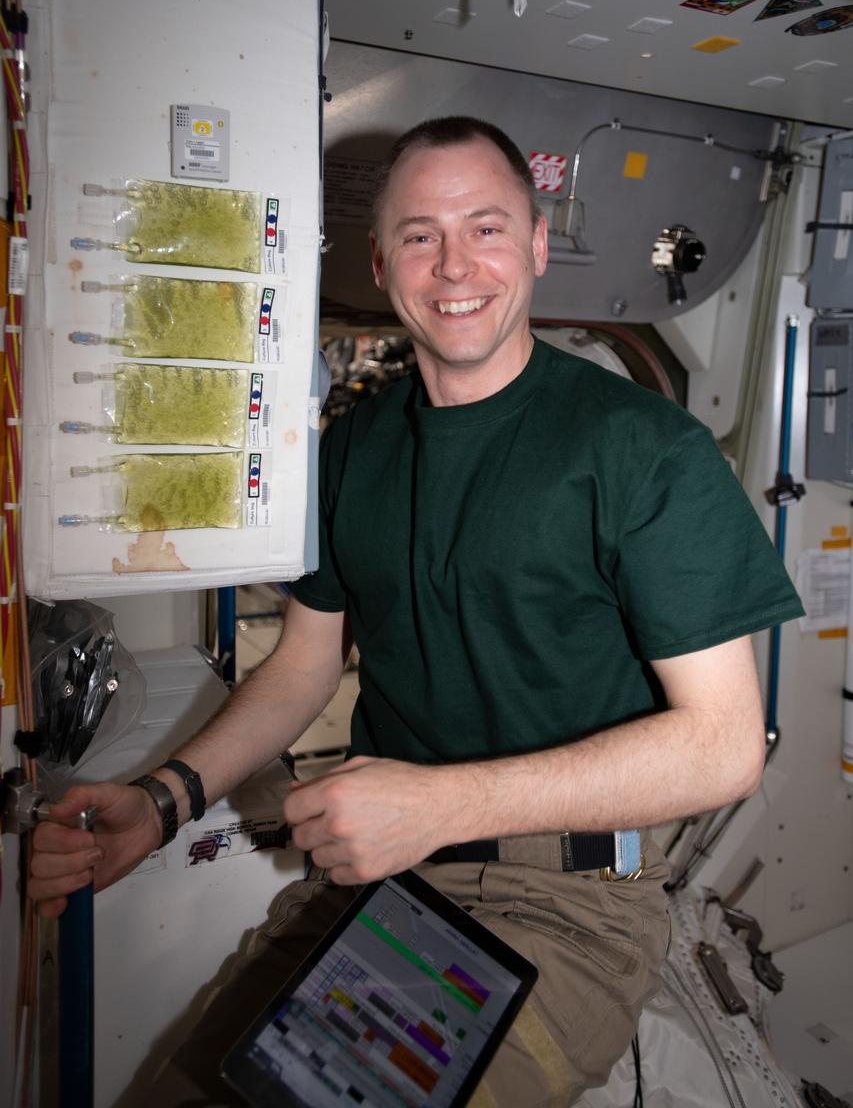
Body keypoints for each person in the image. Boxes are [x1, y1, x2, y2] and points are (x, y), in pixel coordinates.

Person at [29, 117, 803, 1106]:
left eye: (485, 228)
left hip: (566, 903)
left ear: (534, 242)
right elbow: (301, 667)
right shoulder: (355, 447)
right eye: (418, 233)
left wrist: (442, 802)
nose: (453, 264)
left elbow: (722, 745)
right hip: (369, 885)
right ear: (379, 261)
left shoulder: (639, 449)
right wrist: (163, 800)